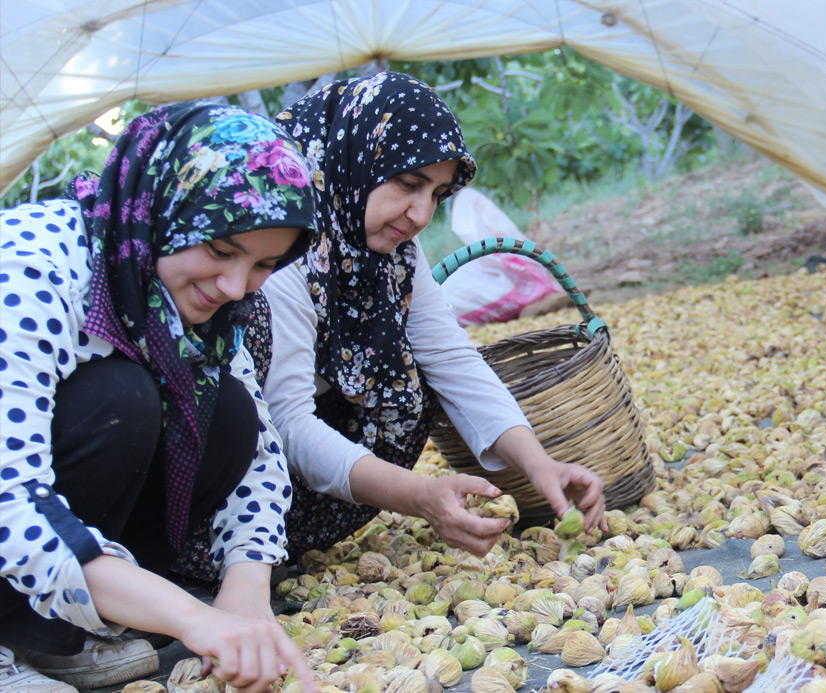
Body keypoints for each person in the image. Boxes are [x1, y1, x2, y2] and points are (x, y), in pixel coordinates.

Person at [173, 72, 608, 578]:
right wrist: (419, 496)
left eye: (437, 194)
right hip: (221, 470)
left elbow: (450, 356)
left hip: (297, 469)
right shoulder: (281, 241)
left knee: (415, 380)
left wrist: (540, 465)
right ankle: (228, 554)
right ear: (355, 158)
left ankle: (281, 542)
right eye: (408, 183)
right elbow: (286, 420)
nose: (422, 213)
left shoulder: (395, 252)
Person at [0, 103, 320, 693]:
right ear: (164, 211)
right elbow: (8, 498)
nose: (235, 287)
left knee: (227, 411)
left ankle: (60, 632)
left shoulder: (200, 304)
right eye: (220, 250)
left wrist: (245, 590)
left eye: (264, 264)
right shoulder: (33, 268)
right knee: (120, 398)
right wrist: (191, 618)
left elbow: (258, 453)